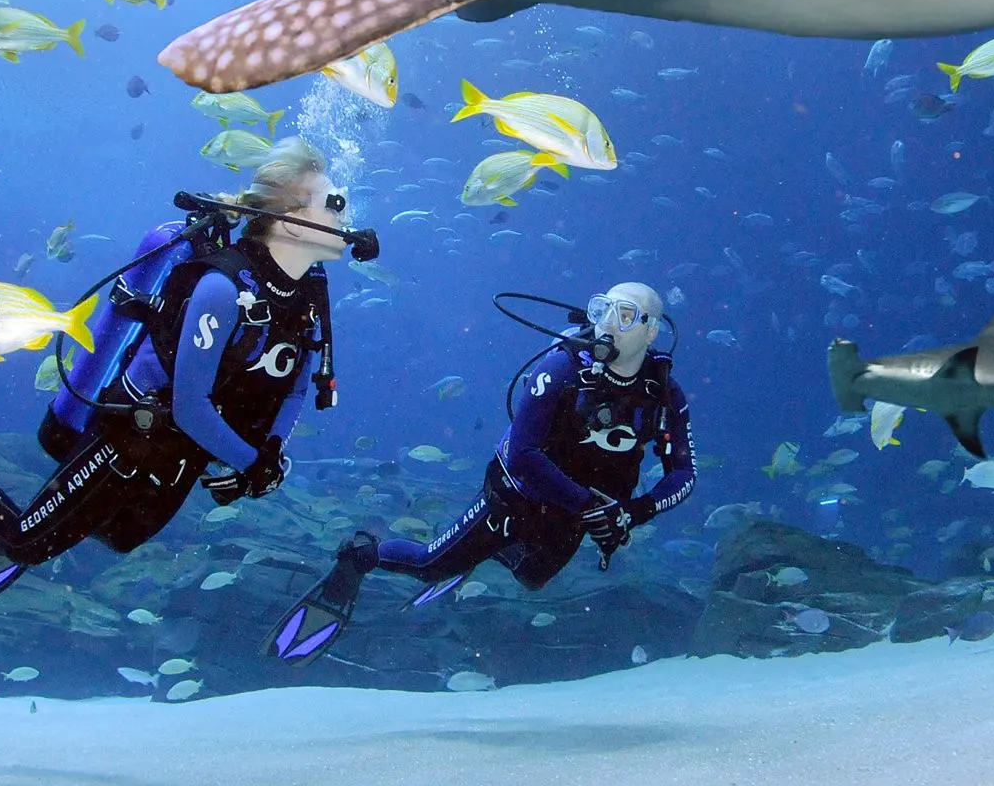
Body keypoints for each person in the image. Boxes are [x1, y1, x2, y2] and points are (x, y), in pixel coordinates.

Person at [0, 138, 357, 605]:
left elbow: (297, 381)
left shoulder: (306, 295)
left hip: (185, 454)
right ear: (287, 220)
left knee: (122, 538)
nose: (345, 211)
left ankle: (60, 517)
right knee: (26, 542)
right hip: (133, 438)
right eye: (331, 201)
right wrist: (251, 462)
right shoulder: (221, 289)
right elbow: (190, 405)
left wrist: (269, 454)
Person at [269, 280, 695, 664]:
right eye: (603, 309)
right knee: (430, 565)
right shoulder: (562, 368)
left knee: (532, 578)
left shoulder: (663, 393)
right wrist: (590, 507)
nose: (609, 324)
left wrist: (632, 512)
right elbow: (525, 454)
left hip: (575, 511)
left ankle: (489, 550)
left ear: (651, 331)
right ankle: (359, 554)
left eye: (625, 315)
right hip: (514, 496)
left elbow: (683, 474)